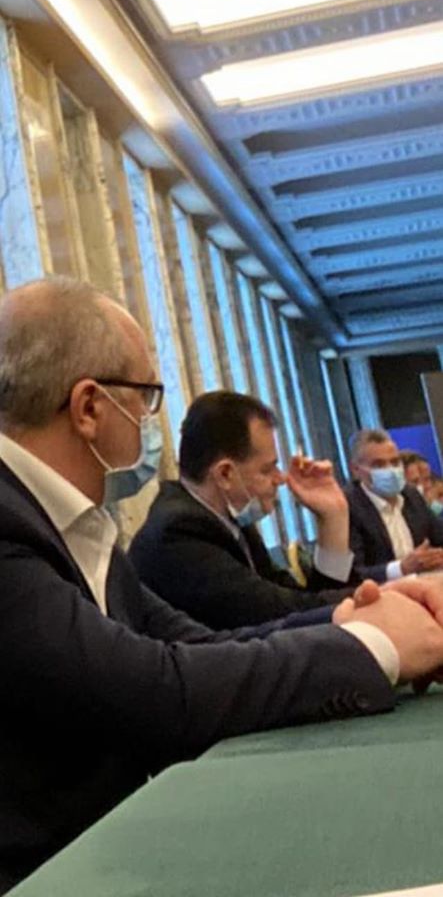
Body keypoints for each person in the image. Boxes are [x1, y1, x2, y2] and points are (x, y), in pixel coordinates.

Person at [1, 277, 443, 893]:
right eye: (147, 397)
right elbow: (153, 690)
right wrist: (377, 645)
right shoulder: (34, 524)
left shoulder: (79, 525)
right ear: (90, 408)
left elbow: (197, 643)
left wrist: (354, 618)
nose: (152, 422)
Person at [130, 390, 357, 629]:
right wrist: (366, 601)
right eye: (267, 469)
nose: (281, 478)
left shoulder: (231, 523)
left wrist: (333, 517)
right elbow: (279, 615)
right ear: (225, 474)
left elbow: (299, 601)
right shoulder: (178, 534)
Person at [346, 429, 443, 583]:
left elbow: (438, 536)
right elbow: (350, 576)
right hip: (384, 592)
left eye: (395, 462)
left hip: (426, 585)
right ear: (356, 470)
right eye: (378, 465)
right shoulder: (348, 507)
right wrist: (400, 568)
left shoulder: (410, 495)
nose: (390, 470)